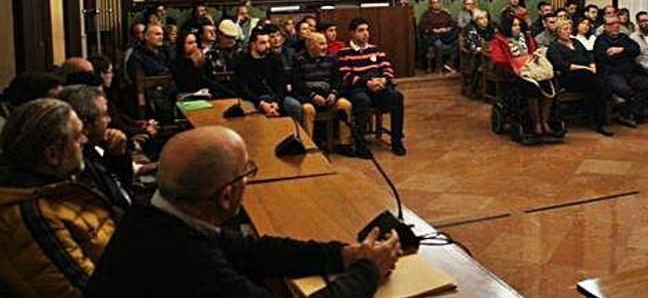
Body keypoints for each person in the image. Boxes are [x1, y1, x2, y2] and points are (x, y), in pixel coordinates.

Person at [85, 126, 400, 297]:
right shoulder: (184, 257)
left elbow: (251, 250)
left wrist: (346, 255)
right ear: (225, 196)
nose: (249, 178)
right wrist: (367, 272)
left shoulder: (156, 214)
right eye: (246, 172)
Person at [0, 98, 115, 298]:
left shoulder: (56, 188)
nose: (85, 141)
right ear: (52, 154)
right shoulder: (32, 215)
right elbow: (84, 290)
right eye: (77, 136)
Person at [57, 85, 135, 214]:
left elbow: (123, 187)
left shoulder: (92, 150)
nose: (109, 120)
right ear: (87, 125)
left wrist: (118, 155)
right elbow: (113, 204)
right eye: (104, 115)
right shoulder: (76, 161)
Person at [338, 18, 406, 156]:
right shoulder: (344, 53)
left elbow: (387, 68)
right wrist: (366, 83)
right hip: (359, 89)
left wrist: (383, 80)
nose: (365, 33)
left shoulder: (375, 49)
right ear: (352, 33)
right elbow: (346, 75)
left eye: (367, 30)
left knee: (397, 97)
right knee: (362, 101)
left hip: (378, 87)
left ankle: (396, 141)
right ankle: (360, 145)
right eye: (361, 30)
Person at [489, 15, 559, 143]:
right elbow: (499, 60)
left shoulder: (527, 38)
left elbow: (534, 51)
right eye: (514, 25)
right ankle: (537, 123)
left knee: (548, 82)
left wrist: (535, 57)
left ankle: (545, 121)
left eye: (519, 25)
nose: (517, 28)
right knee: (530, 87)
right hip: (512, 74)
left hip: (532, 69)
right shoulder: (498, 41)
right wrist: (515, 66)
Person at [293, 34, 358, 157]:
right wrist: (313, 96)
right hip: (309, 97)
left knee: (345, 105)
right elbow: (297, 83)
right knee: (307, 109)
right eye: (321, 44)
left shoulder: (332, 58)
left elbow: (337, 80)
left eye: (325, 43)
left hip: (329, 97)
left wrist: (334, 93)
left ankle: (344, 144)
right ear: (311, 46)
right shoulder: (298, 59)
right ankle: (309, 146)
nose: (325, 46)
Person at [547, 20, 613, 136]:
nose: (568, 32)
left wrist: (592, 66)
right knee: (597, 84)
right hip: (569, 77)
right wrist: (584, 67)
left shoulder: (576, 42)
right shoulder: (554, 46)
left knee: (597, 82)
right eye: (565, 29)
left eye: (569, 29)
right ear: (558, 31)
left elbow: (588, 56)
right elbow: (562, 65)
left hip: (587, 75)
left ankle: (600, 120)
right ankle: (601, 122)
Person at [594, 15, 648, 128]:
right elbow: (607, 58)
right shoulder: (601, 40)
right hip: (611, 73)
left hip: (629, 72)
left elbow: (636, 49)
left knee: (647, 85)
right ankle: (625, 113)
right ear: (605, 27)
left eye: (617, 23)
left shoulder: (623, 37)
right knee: (624, 90)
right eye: (612, 24)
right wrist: (626, 53)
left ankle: (631, 113)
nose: (616, 26)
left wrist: (621, 50)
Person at [234, 28, 303, 123]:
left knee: (294, 106)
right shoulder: (242, 62)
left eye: (267, 42)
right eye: (262, 43)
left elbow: (281, 85)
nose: (267, 46)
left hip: (274, 97)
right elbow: (242, 89)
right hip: (253, 99)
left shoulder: (274, 59)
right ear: (253, 44)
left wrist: (276, 103)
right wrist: (261, 104)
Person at [462, 10, 497, 97]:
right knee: (479, 62)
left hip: (491, 54)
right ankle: (473, 89)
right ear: (476, 21)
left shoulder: (492, 28)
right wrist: (483, 48)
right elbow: (473, 47)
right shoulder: (471, 29)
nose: (485, 20)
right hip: (475, 57)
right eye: (481, 19)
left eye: (486, 18)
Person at [419, 0, 458, 73]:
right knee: (438, 44)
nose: (436, 4)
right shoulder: (427, 14)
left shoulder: (445, 13)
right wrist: (434, 30)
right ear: (431, 4)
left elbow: (453, 24)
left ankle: (449, 64)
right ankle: (438, 67)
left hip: (446, 35)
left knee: (457, 43)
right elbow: (422, 27)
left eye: (438, 2)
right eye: (434, 2)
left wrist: (447, 29)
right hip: (433, 36)